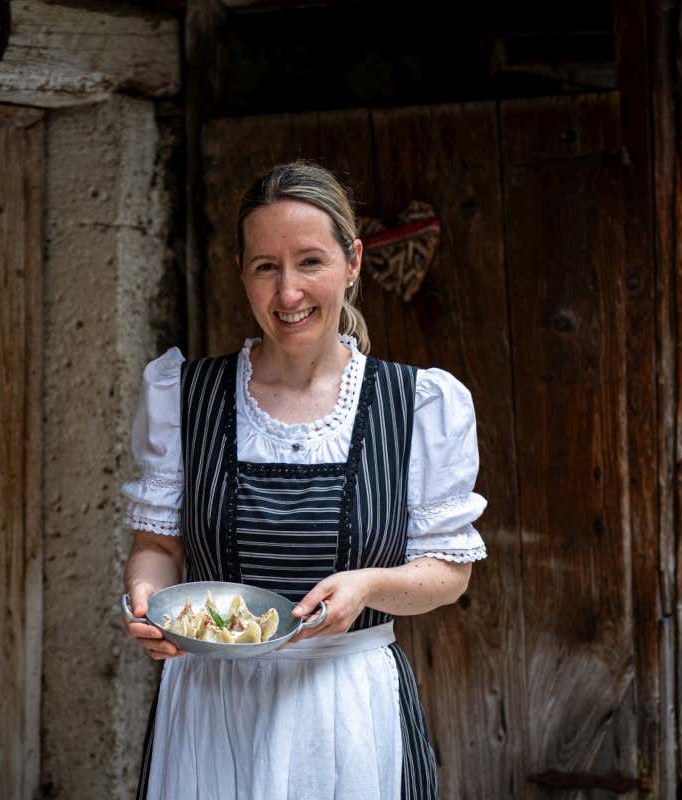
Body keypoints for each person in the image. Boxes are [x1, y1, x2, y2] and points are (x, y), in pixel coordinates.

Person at [121, 161, 487, 799]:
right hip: (214, 709)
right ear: (241, 272)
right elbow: (158, 546)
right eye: (266, 267)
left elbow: (448, 574)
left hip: (347, 711)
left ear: (353, 262)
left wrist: (367, 586)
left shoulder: (418, 404)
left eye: (310, 262)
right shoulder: (184, 395)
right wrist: (148, 603)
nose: (288, 293)